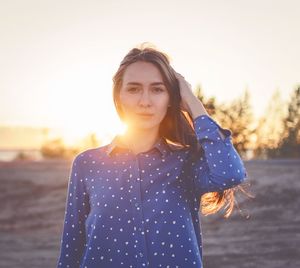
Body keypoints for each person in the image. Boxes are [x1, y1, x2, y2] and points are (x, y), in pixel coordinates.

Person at [57, 43, 248, 268]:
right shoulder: (87, 164)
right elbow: (72, 248)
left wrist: (193, 103)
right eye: (134, 89)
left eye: (157, 89)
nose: (145, 101)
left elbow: (231, 174)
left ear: (171, 99)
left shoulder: (185, 162)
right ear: (118, 97)